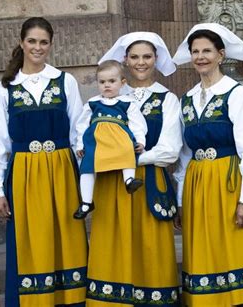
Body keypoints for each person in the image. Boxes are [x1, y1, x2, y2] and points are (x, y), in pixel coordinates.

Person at [173, 23, 243, 306]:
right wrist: (181, 200)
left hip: (229, 184)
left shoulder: (236, 94)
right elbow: (185, 156)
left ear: (221, 55)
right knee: (203, 254)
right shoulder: (186, 100)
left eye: (207, 51)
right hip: (197, 187)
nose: (200, 57)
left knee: (233, 252)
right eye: (195, 51)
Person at [0, 17, 88, 307]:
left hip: (62, 171)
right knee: (30, 243)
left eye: (43, 42)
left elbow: (79, 134)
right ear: (21, 42)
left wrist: (85, 183)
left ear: (51, 45)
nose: (37, 47)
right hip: (24, 175)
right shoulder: (6, 87)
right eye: (32, 41)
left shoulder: (64, 81)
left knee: (67, 241)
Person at [85, 32, 182, 306]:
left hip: (150, 180)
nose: (141, 62)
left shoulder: (168, 99)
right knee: (113, 245)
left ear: (156, 59)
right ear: (125, 60)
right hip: (112, 182)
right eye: (135, 57)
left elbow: (170, 149)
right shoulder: (108, 96)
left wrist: (120, 157)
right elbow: (86, 135)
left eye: (147, 57)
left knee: (151, 250)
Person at [73, 60, 147, 219]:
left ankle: (129, 181)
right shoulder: (93, 104)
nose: (107, 85)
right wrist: (80, 144)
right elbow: (81, 125)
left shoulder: (127, 103)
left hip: (120, 140)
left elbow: (138, 124)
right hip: (96, 141)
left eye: (112, 81)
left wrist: (140, 141)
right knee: (87, 165)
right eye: (102, 82)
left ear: (122, 83)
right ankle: (86, 202)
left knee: (127, 151)